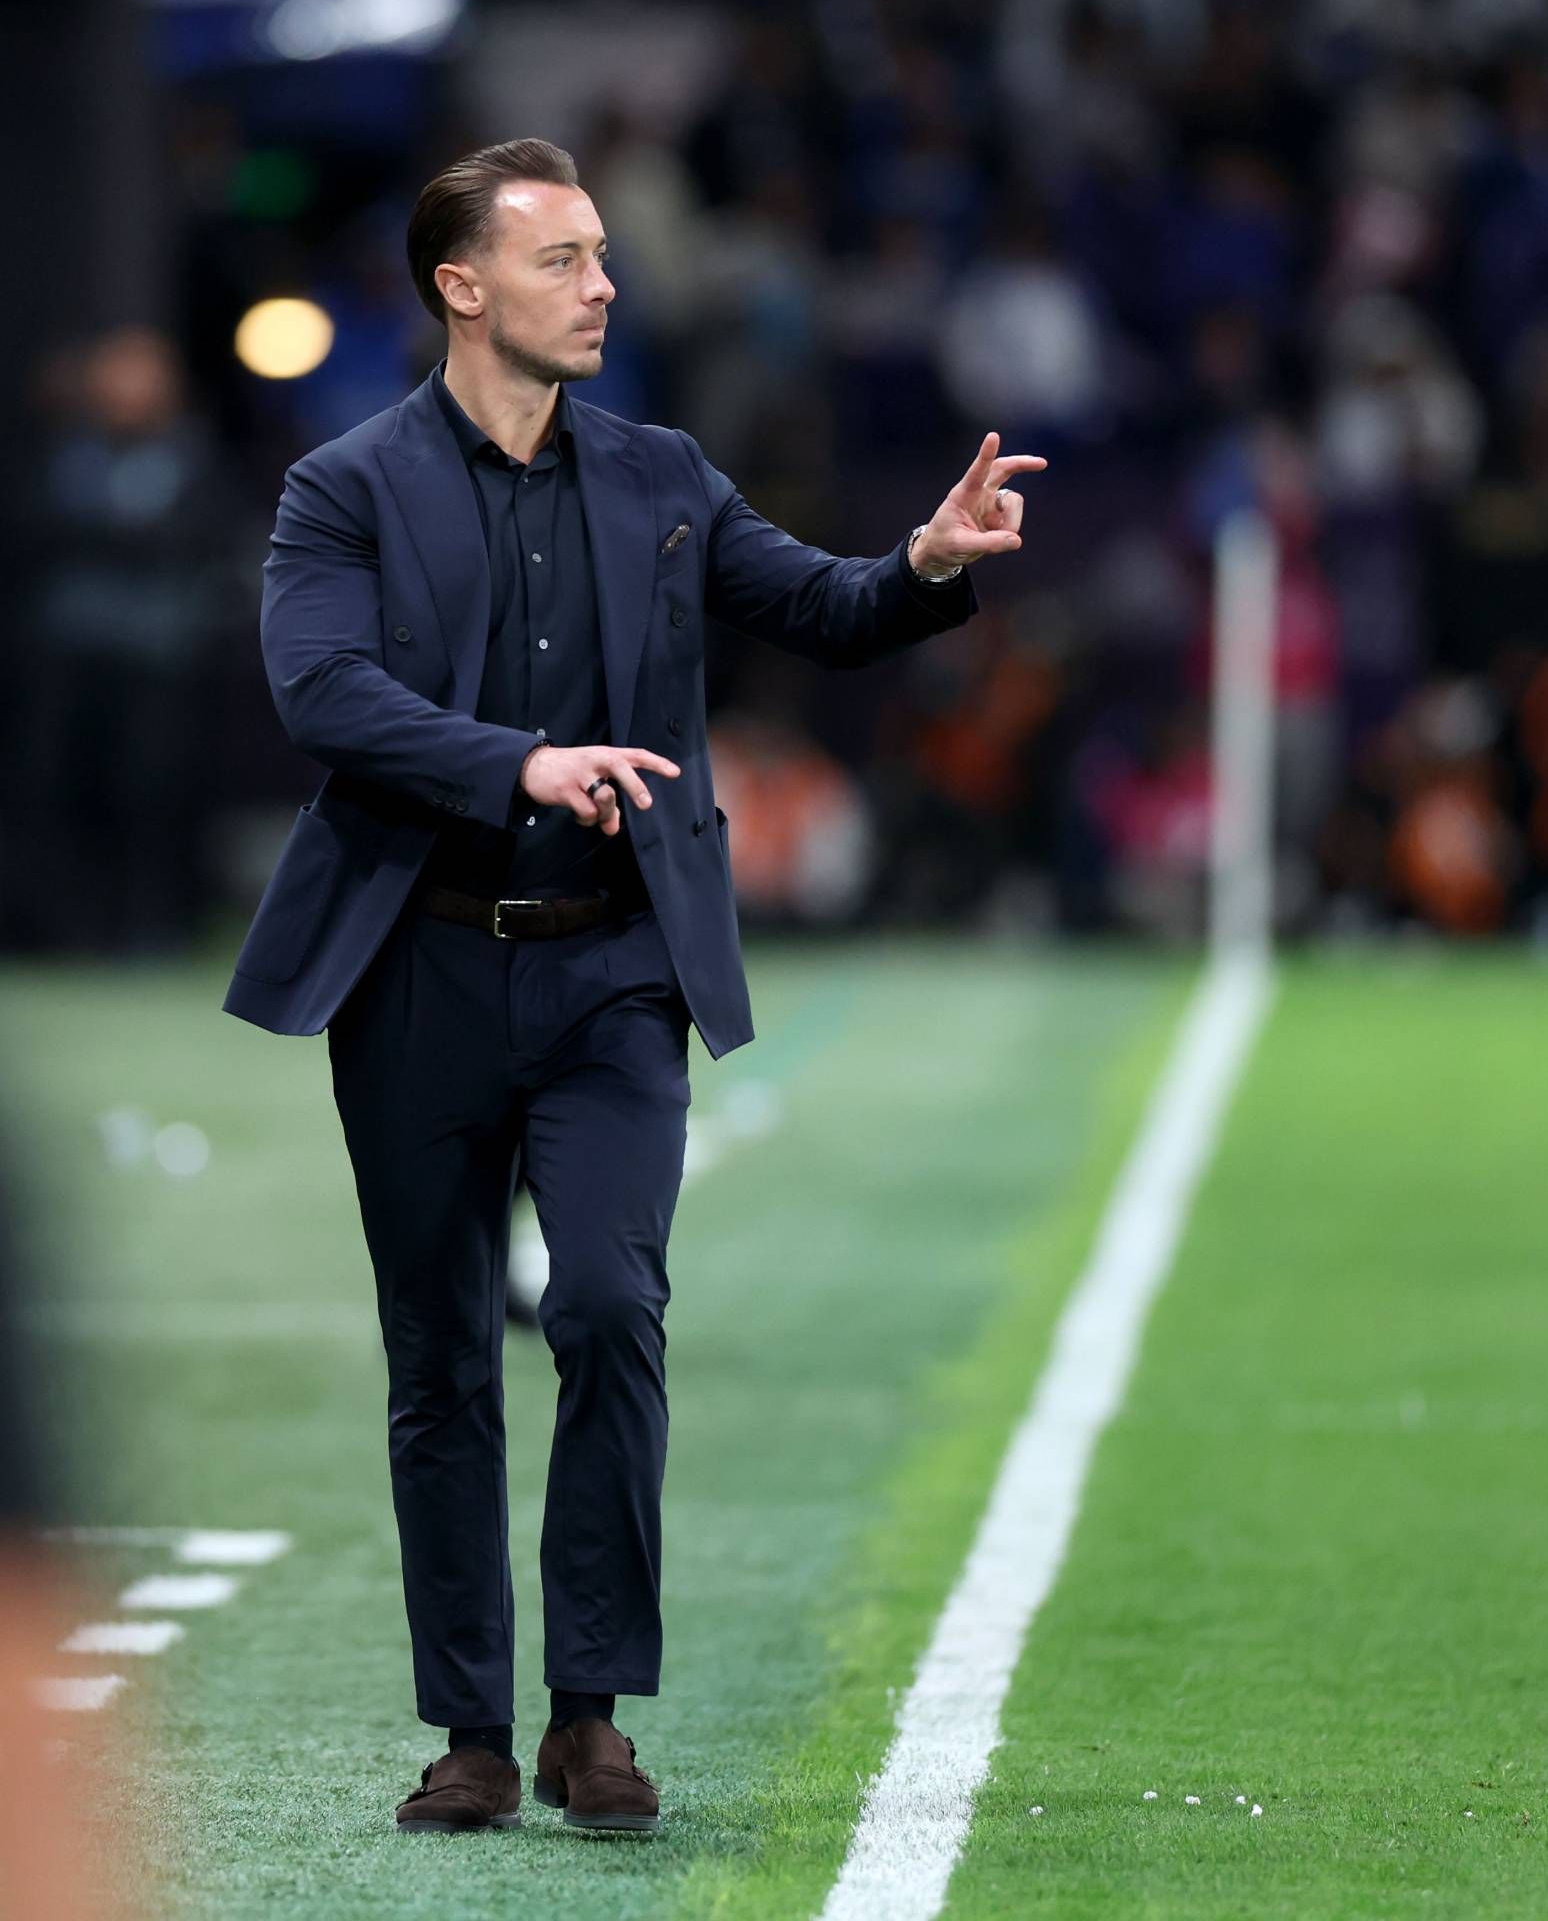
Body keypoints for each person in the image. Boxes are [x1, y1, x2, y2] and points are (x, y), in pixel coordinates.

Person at [223, 137, 1043, 1836]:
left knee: (605, 1305)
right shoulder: (343, 488)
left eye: (602, 256)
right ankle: (470, 1729)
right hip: (419, 968)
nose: (604, 287)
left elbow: (819, 606)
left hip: (610, 968)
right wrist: (516, 763)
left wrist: (925, 564)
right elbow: (322, 691)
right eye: (564, 260)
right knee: (440, 1358)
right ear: (462, 287)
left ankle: (587, 1715)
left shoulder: (661, 472)